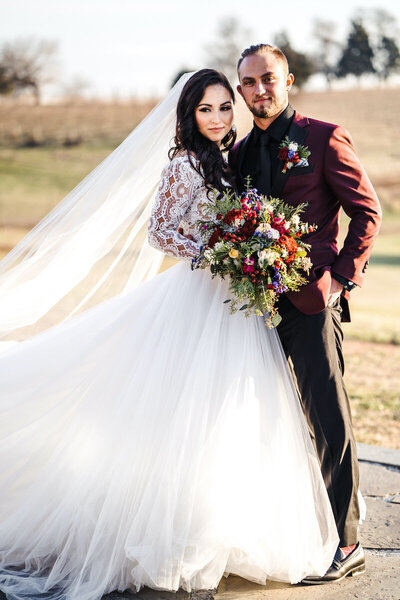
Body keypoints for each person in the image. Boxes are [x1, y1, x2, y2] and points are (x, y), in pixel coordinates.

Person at [0, 69, 339, 600]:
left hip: (235, 305)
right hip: (198, 299)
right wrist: (220, 252)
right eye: (206, 109)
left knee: (234, 412)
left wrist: (248, 249)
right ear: (189, 114)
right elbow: (161, 229)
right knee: (187, 413)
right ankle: (173, 533)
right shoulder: (183, 163)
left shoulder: (231, 158)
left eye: (226, 107)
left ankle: (224, 526)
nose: (219, 117)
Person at [229, 44, 382, 584]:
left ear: (288, 79)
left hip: (312, 303)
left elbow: (367, 211)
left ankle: (348, 540)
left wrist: (341, 279)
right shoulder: (241, 152)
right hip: (255, 307)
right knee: (261, 418)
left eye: (268, 78)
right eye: (249, 82)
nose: (259, 89)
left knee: (327, 417)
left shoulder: (323, 137)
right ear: (241, 89)